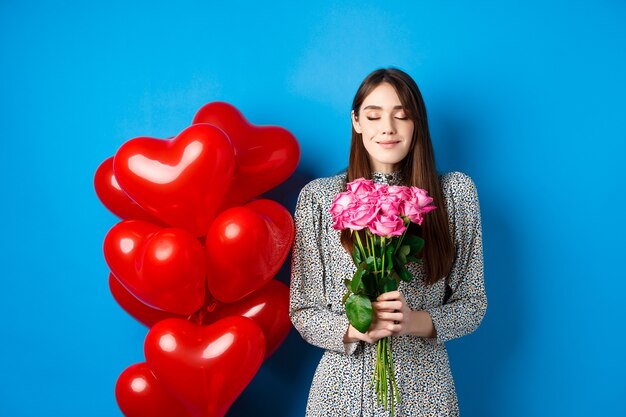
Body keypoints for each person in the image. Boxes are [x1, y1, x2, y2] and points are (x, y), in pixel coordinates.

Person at [289, 68, 488, 416]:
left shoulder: (454, 195)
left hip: (426, 392)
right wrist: (353, 328)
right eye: (373, 115)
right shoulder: (321, 198)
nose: (388, 128)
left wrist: (414, 321)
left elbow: (472, 305)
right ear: (356, 121)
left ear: (417, 124)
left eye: (402, 116)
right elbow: (302, 310)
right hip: (341, 394)